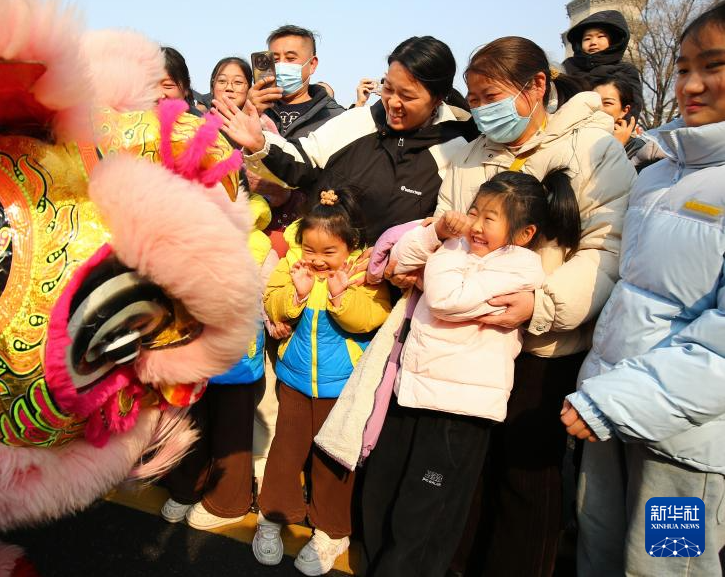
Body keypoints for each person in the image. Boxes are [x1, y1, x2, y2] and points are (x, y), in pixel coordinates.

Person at [398, 36, 634, 577]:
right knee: (465, 474)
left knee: (525, 480)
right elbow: (448, 231)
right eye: (474, 99)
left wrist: (539, 306)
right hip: (470, 343)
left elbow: (606, 249)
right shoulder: (468, 156)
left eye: (492, 97)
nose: (482, 110)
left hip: (543, 346)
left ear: (536, 87)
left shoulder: (595, 150)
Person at [563, 0, 725, 577]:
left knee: (664, 565)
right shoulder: (656, 173)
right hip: (608, 415)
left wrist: (615, 402)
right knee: (598, 553)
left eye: (714, 66)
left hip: (685, 443)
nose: (691, 85)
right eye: (683, 68)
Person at [362, 168, 578, 577]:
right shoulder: (457, 246)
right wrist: (435, 233)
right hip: (414, 390)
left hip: (459, 410)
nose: (475, 225)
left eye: (489, 218)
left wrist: (436, 261)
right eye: (474, 211)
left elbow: (445, 298)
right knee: (381, 498)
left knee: (422, 518)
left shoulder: (522, 267)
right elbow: (399, 260)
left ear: (525, 233)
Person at [217, 36, 476, 246]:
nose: (393, 103)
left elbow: (447, 230)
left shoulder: (456, 151)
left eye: (407, 96)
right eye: (388, 89)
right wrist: (260, 144)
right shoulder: (356, 121)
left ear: (437, 99)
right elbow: (303, 160)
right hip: (320, 271)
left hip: (389, 281)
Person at [254, 189, 391, 576]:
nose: (317, 259)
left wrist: (341, 297)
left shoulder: (363, 271)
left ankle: (332, 532)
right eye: (310, 249)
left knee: (332, 459)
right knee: (285, 452)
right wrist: (295, 296)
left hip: (341, 384)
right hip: (295, 379)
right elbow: (272, 300)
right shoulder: (294, 265)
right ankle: (273, 516)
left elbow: (373, 316)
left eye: (329, 252)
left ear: (350, 245)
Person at [160, 193, 275, 530]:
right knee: (191, 423)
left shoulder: (259, 244)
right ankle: (186, 487)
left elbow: (268, 298)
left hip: (236, 355)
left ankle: (229, 502)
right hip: (194, 350)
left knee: (232, 430)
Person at [247, 25, 344, 139]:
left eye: (290, 58)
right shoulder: (257, 108)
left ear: (312, 64)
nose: (281, 64)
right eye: (275, 59)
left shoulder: (336, 117)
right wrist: (247, 112)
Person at [562, 10, 644, 120]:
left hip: (610, 126)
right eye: (587, 38)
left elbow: (634, 105)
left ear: (612, 40)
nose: (593, 42)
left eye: (600, 36)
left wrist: (622, 128)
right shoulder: (568, 67)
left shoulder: (625, 70)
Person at [591, 73, 667, 169]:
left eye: (607, 103)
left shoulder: (638, 149)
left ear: (625, 110)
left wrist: (616, 146)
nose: (598, 108)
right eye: (593, 102)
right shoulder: (576, 137)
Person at [158, 46, 202, 115]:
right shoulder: (139, 118)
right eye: (151, 87)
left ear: (186, 88)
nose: (159, 95)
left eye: (168, 86)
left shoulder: (201, 121)